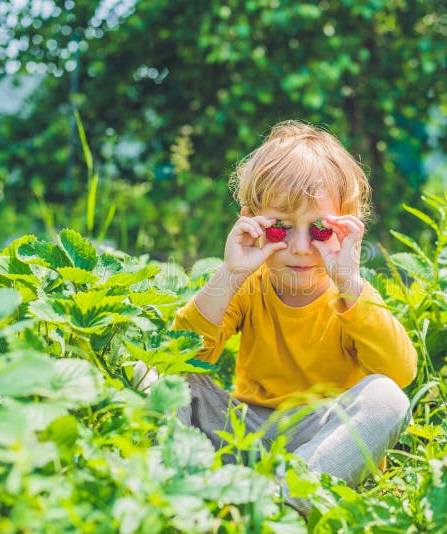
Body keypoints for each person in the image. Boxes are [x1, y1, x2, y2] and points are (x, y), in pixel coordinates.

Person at [165, 120, 417, 514]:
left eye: (319, 230)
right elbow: (181, 357)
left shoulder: (350, 293)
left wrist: (349, 281)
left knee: (388, 398)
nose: (301, 248)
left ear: (347, 228)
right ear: (252, 220)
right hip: (243, 433)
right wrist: (230, 274)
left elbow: (401, 372)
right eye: (281, 229)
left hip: (321, 444)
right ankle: (174, 490)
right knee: (159, 375)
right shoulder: (250, 284)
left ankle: (281, 505)